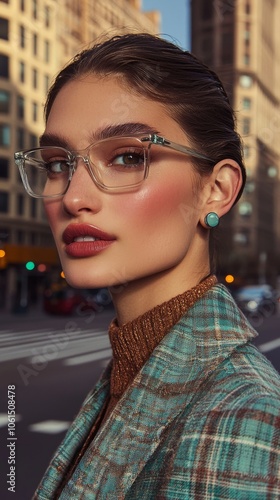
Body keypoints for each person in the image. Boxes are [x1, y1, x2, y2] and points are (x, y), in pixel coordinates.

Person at [15, 33, 280, 499]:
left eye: (126, 157)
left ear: (215, 189)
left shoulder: (249, 422)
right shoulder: (129, 372)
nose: (73, 197)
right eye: (58, 163)